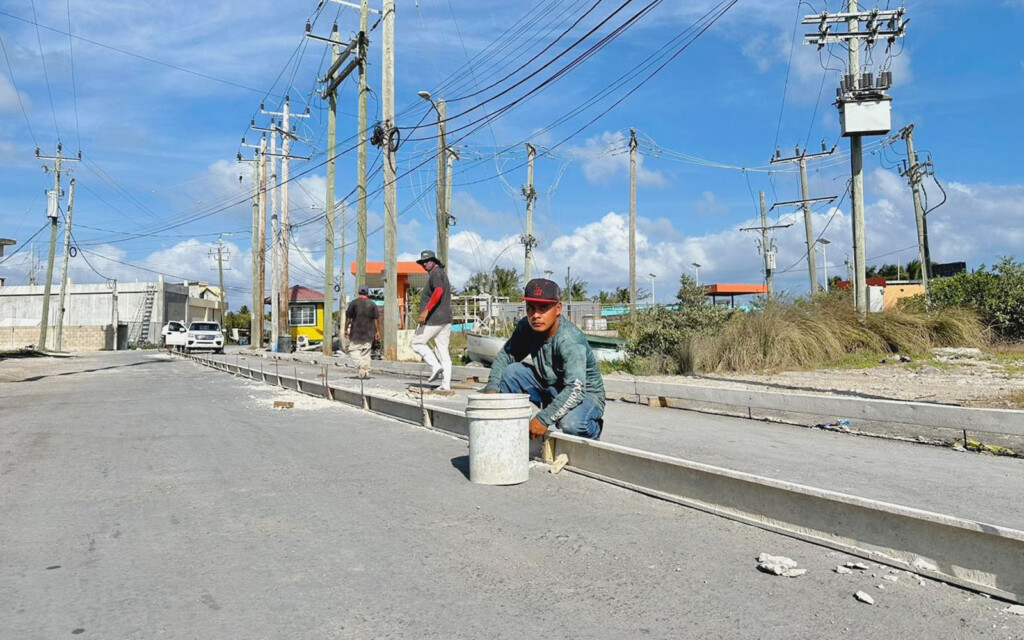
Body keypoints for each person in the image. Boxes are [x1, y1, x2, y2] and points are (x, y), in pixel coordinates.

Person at [483, 278, 604, 440]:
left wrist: (543, 419)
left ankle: (592, 430)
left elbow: (576, 389)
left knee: (572, 424)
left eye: (543, 308)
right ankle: (514, 431)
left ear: (558, 308)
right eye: (531, 308)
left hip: (585, 393)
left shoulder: (569, 340)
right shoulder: (526, 327)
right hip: (550, 385)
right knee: (511, 372)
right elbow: (506, 356)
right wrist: (491, 391)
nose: (536, 315)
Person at [411, 249, 453, 390]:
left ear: (434, 261)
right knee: (443, 352)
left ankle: (435, 367)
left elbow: (438, 291)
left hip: (434, 318)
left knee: (416, 343)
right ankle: (445, 386)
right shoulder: (441, 273)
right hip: (446, 319)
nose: (424, 264)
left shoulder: (435, 273)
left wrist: (426, 311)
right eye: (422, 262)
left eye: (427, 261)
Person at [345, 286, 380, 379]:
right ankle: (364, 373)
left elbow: (348, 317)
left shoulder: (353, 303)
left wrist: (345, 329)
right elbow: (376, 319)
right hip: (369, 332)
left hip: (356, 332)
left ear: (358, 293)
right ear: (367, 293)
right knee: (366, 353)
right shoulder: (372, 304)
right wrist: (377, 331)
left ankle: (361, 365)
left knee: (352, 350)